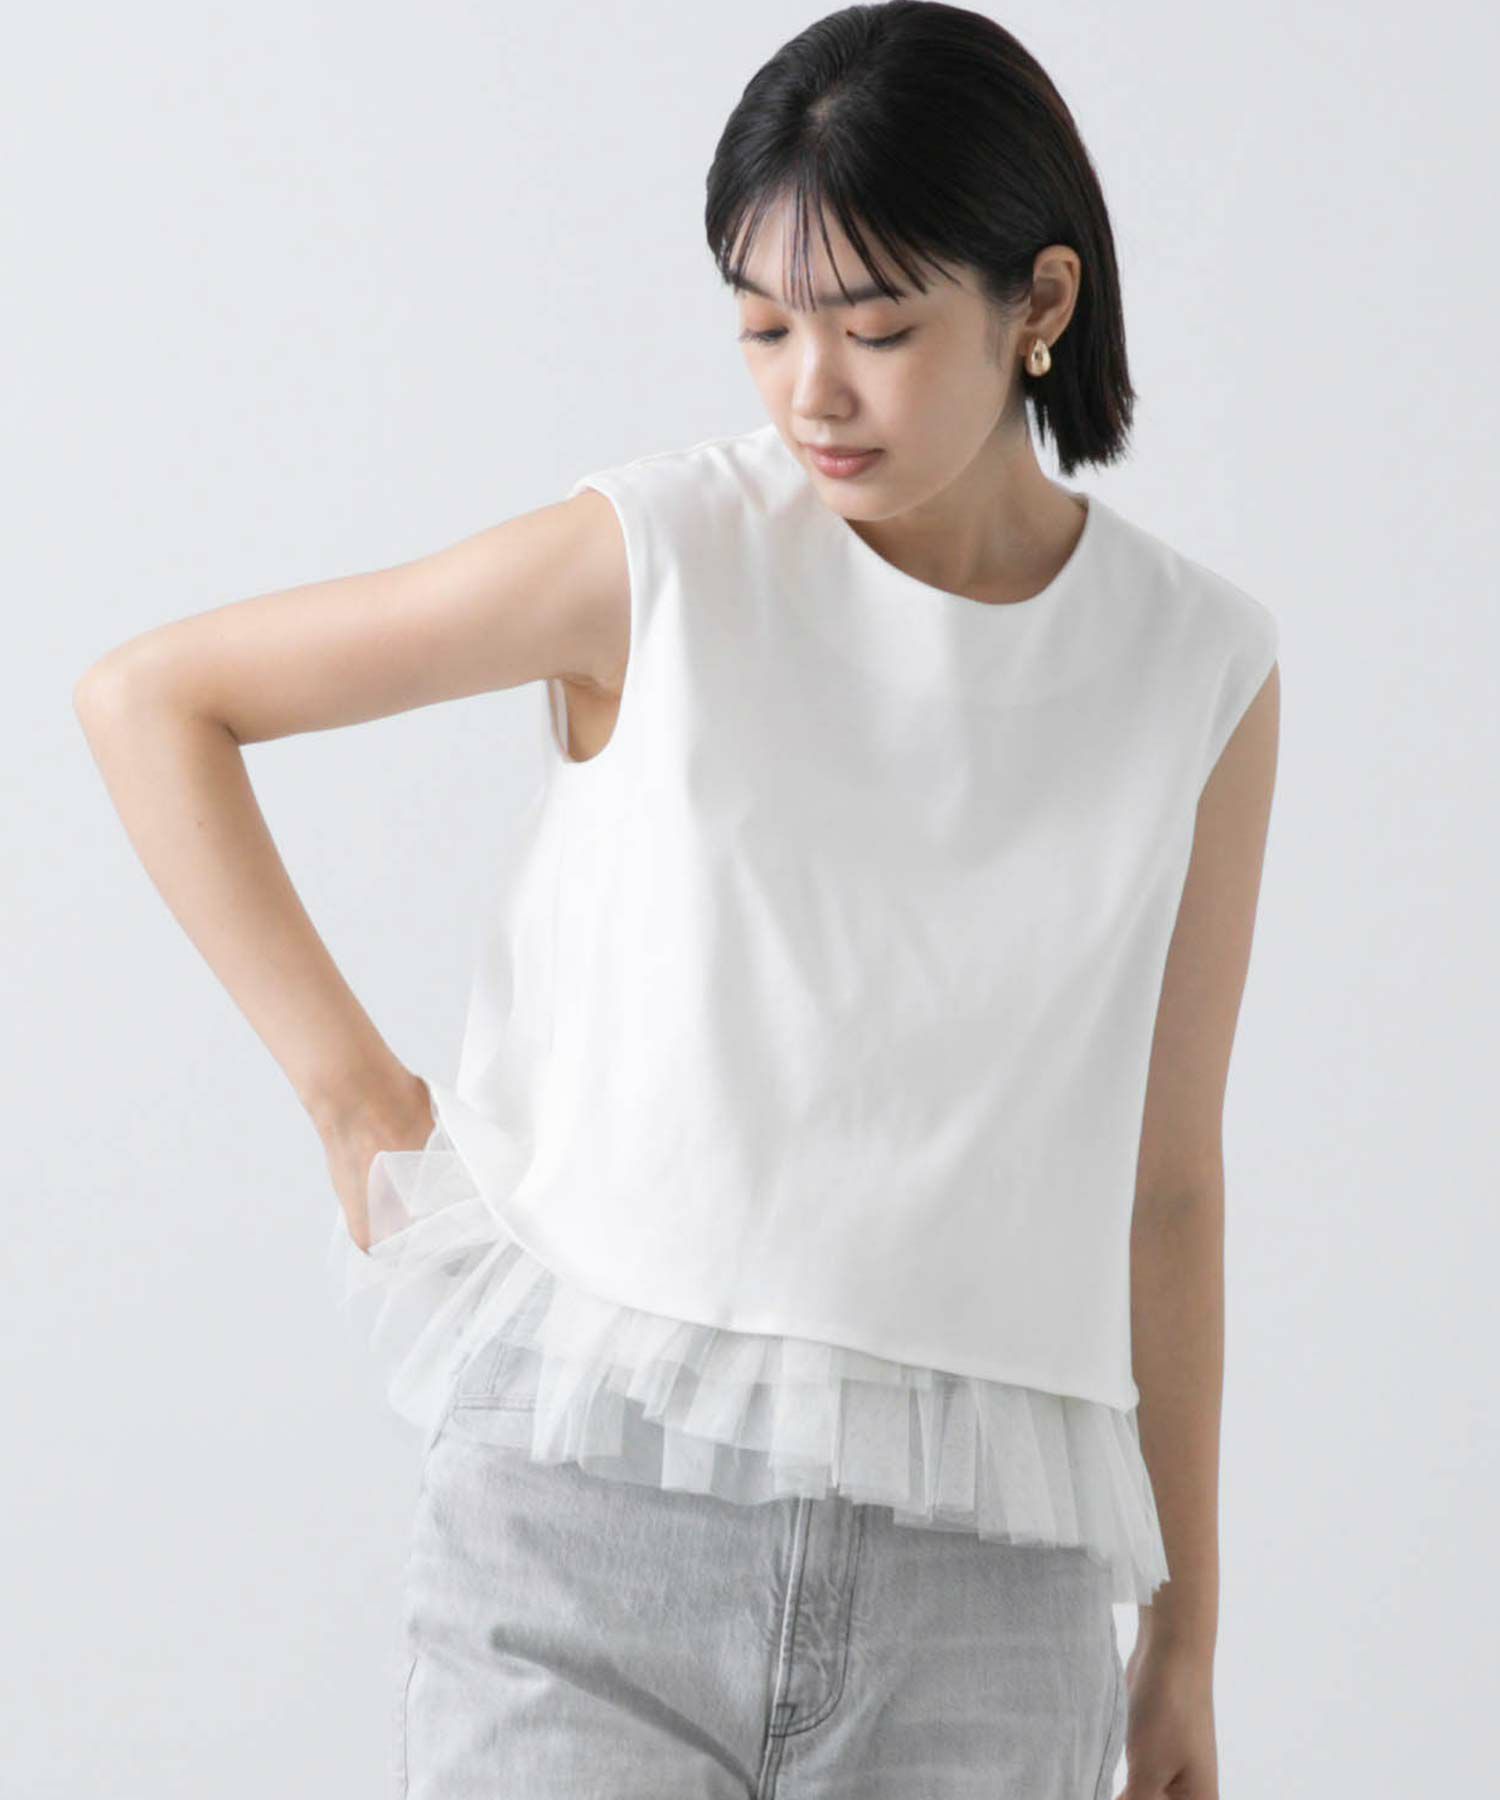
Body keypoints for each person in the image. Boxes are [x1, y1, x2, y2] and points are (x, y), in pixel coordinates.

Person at [74, 5, 1279, 1796]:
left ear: (1039, 301)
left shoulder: (1197, 666)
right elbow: (157, 700)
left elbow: (1167, 1185)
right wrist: (351, 1099)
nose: (812, 390)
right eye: (764, 325)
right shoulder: (665, 558)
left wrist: (1183, 1643)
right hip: (591, 1524)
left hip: (987, 1596)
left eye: (877, 327)